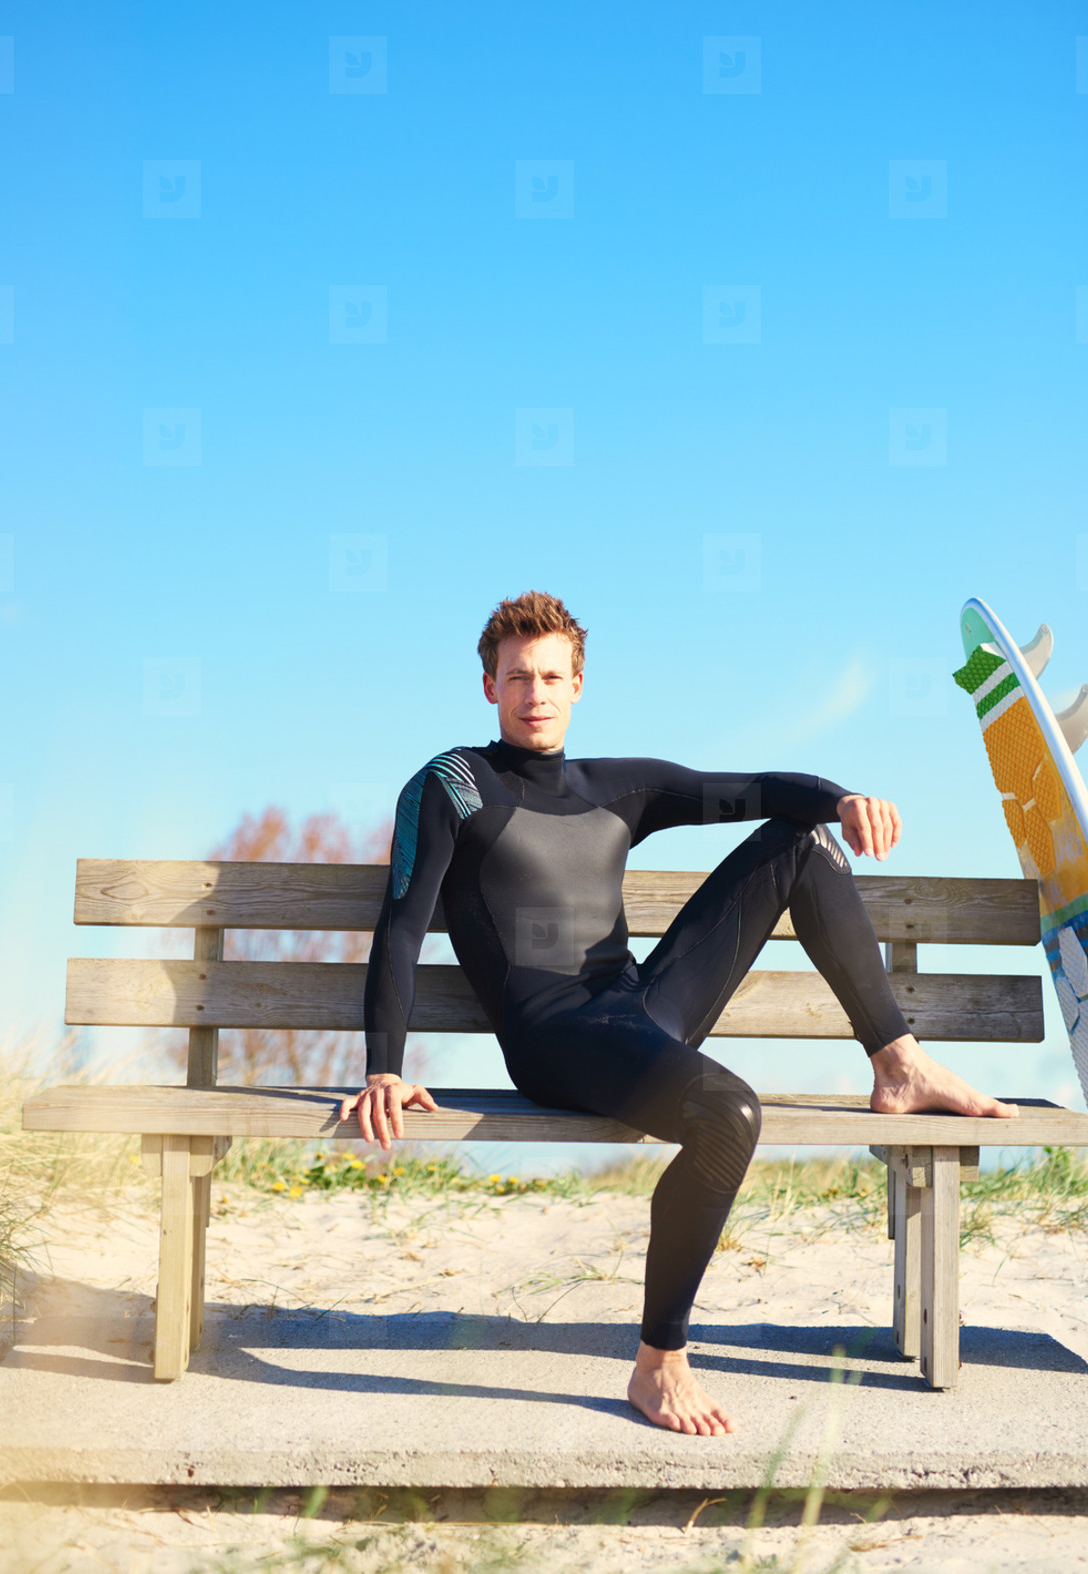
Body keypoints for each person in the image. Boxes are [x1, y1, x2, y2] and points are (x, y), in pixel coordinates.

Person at [340, 591, 1018, 1436]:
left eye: (553, 676)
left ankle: (899, 1064)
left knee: (799, 839)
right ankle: (659, 1363)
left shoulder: (615, 786)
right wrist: (384, 1067)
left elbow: (748, 790)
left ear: (579, 685)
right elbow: (401, 925)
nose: (536, 693)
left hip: (639, 1011)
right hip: (556, 1038)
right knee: (731, 1115)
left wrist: (841, 797)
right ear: (489, 687)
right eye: (518, 677)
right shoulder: (450, 784)